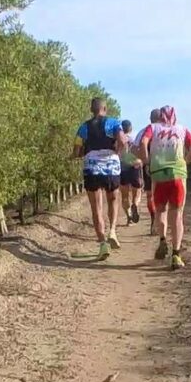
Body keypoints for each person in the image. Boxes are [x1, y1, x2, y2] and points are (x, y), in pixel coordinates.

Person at [137, 105, 191, 270]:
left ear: (161, 116)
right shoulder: (183, 129)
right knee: (177, 215)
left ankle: (162, 240)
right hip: (178, 175)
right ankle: (176, 254)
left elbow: (143, 142)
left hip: (158, 174)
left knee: (160, 210)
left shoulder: (153, 128)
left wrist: (147, 162)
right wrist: (184, 162)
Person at [75, 97, 129, 261]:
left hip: (91, 167)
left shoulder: (83, 127)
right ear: (105, 109)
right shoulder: (113, 123)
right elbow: (122, 140)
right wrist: (118, 151)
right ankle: (112, 230)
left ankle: (102, 244)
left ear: (92, 110)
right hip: (111, 165)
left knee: (96, 206)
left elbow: (77, 149)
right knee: (113, 199)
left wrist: (75, 155)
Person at [139, 108, 162, 235]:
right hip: (165, 166)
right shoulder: (167, 129)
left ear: (150, 118)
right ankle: (161, 221)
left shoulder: (145, 130)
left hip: (149, 166)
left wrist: (144, 162)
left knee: (150, 196)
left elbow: (137, 147)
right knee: (163, 196)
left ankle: (154, 219)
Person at [119, 120, 144, 226]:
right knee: (137, 192)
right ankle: (135, 204)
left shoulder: (119, 139)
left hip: (122, 168)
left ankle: (129, 217)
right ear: (131, 128)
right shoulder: (135, 138)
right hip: (135, 167)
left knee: (124, 196)